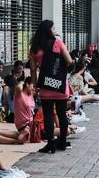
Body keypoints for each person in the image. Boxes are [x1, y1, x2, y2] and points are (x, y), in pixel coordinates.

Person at [29, 20, 74, 153]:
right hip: (60, 86)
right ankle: (62, 143)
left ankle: (50, 144)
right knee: (61, 114)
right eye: (53, 28)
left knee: (48, 115)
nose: (55, 30)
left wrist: (35, 87)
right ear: (49, 30)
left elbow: (33, 71)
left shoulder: (34, 48)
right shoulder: (58, 43)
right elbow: (69, 61)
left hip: (45, 86)